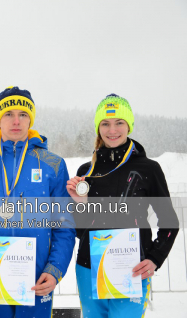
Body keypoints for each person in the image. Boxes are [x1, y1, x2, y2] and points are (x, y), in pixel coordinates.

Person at [0, 86, 76, 318]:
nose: (16, 121)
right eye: (8, 114)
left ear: (31, 119)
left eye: (23, 114)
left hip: (37, 280)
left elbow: (64, 225)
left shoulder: (53, 165)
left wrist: (55, 269)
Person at [66, 94, 179, 318]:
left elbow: (170, 222)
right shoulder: (85, 172)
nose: (112, 130)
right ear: (98, 128)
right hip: (90, 268)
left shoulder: (149, 169)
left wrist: (155, 258)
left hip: (131, 270)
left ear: (129, 126)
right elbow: (81, 230)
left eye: (119, 122)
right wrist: (79, 205)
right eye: (105, 124)